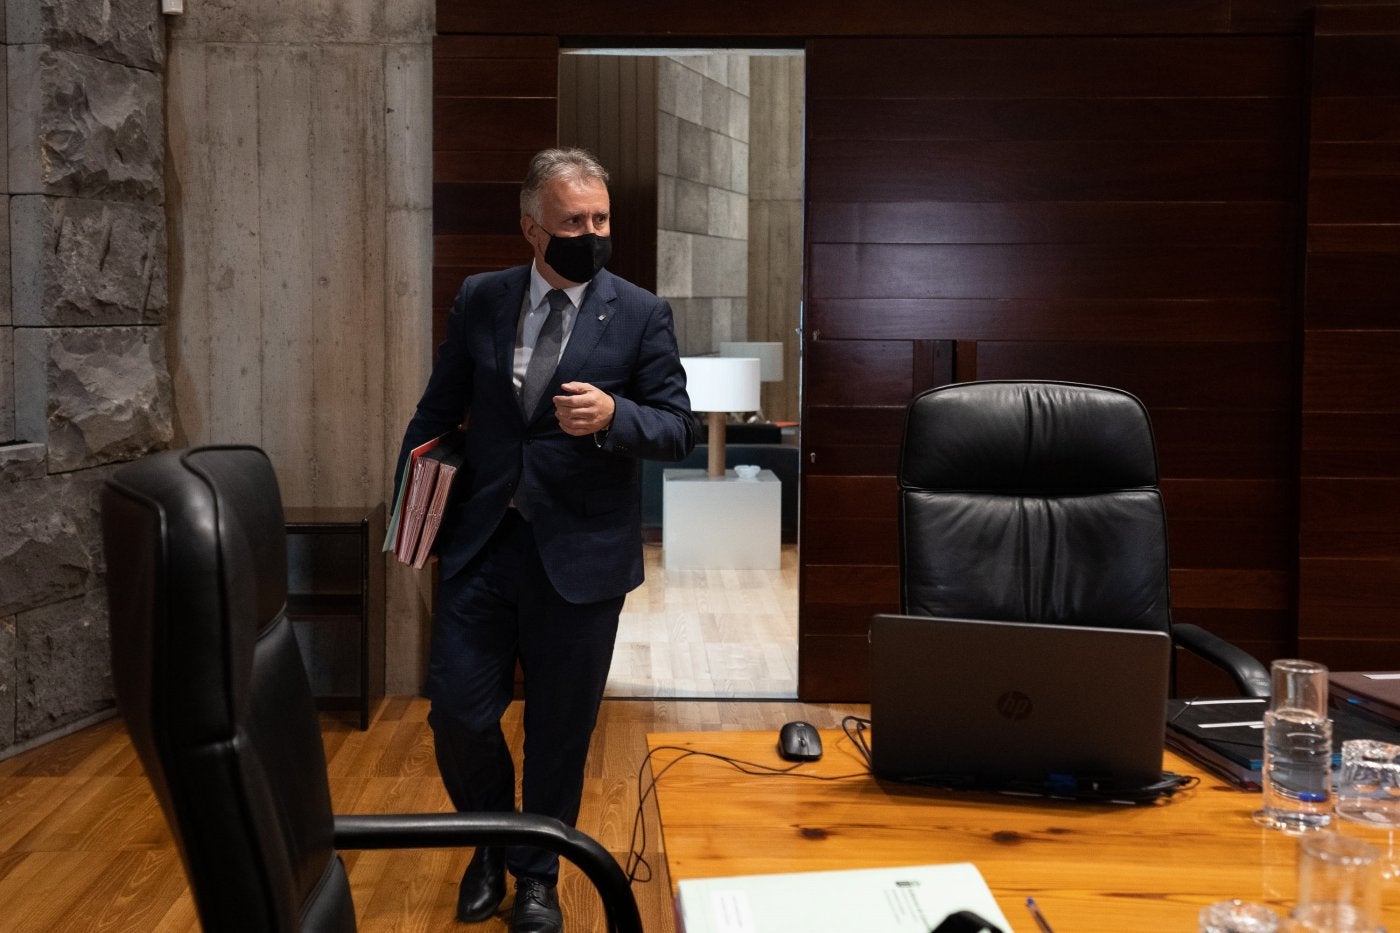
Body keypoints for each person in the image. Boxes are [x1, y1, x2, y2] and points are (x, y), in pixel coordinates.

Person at [394, 148, 694, 933]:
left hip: (582, 556)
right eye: (573, 221)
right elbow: (436, 414)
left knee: (560, 731)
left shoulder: (639, 312)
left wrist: (616, 417)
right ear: (533, 227)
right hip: (483, 544)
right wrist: (411, 513)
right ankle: (488, 838)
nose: (590, 233)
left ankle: (536, 875)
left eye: (600, 219)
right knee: (457, 711)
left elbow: (677, 427)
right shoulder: (481, 299)